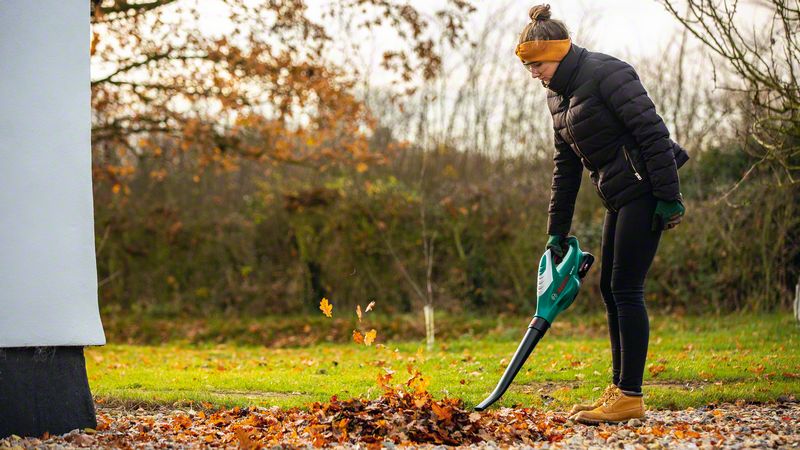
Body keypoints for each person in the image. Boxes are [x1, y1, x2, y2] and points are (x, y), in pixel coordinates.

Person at [515, 4, 689, 424]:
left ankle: (630, 395)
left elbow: (652, 132)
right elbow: (566, 167)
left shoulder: (607, 72)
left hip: (647, 188)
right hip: (620, 194)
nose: (534, 74)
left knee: (626, 288)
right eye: (529, 68)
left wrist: (669, 196)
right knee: (612, 290)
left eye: (537, 64)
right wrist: (556, 232)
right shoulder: (558, 99)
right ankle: (620, 391)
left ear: (558, 52)